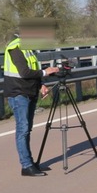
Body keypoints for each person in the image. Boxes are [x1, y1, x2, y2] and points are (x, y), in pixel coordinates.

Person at [4, 23, 60, 177]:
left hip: (29, 91)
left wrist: (41, 84)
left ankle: (29, 162)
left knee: (27, 129)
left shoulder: (27, 49)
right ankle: (26, 165)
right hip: (18, 93)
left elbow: (32, 70)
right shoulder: (15, 47)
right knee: (23, 129)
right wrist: (46, 72)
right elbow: (24, 72)